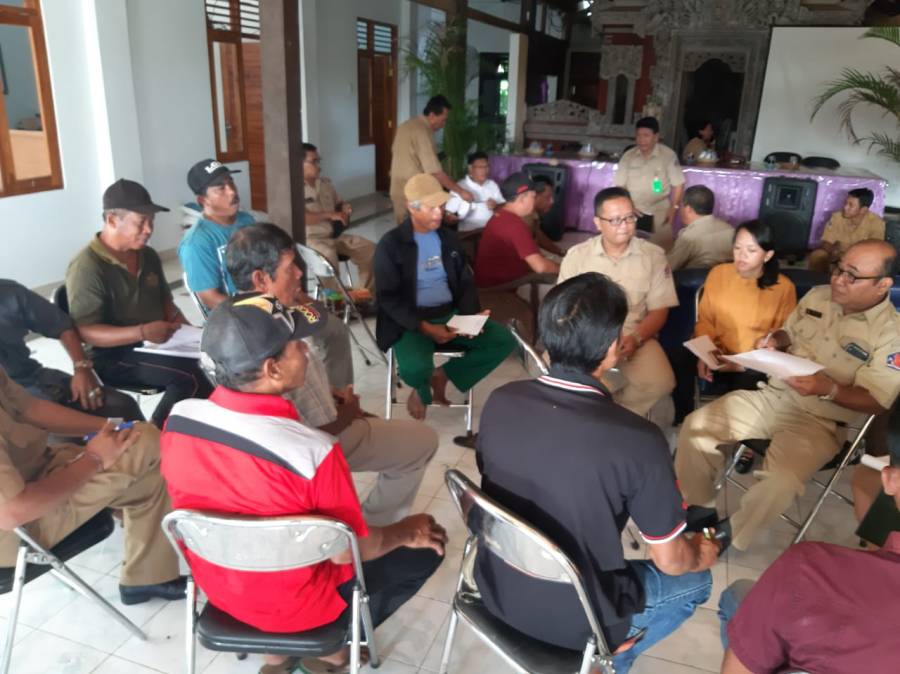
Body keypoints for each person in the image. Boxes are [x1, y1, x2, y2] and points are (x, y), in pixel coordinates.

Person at [161, 295, 445, 674]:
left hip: (223, 591)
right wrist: (407, 531)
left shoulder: (177, 422)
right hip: (302, 609)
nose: (307, 352)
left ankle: (275, 657)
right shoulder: (312, 452)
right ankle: (333, 651)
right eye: (296, 344)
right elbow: (348, 553)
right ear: (272, 369)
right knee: (427, 546)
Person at [476, 273, 716, 674]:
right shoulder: (638, 440)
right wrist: (699, 553)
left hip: (496, 586)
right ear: (611, 349)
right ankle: (604, 663)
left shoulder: (501, 400)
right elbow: (671, 561)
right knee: (697, 582)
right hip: (576, 619)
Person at [675, 240, 900, 551]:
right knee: (695, 426)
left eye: (852, 275)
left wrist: (828, 389)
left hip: (819, 422)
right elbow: (789, 333)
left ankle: (731, 534)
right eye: (838, 269)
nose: (838, 279)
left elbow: (877, 401)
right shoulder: (819, 296)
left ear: (882, 285)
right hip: (772, 396)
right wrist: (775, 340)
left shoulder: (892, 333)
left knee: (780, 482)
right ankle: (700, 508)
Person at [226, 223, 438, 525]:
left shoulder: (255, 313)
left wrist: (296, 296)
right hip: (316, 444)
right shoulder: (265, 341)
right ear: (260, 279)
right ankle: (375, 531)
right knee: (421, 442)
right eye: (290, 268)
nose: (300, 273)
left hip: (327, 419)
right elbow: (298, 436)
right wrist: (349, 413)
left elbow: (318, 316)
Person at [0, 366, 185, 606]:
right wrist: (94, 459)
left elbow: (30, 408)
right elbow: (13, 512)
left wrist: (113, 426)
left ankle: (147, 577)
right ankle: (148, 576)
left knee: (144, 456)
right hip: (19, 529)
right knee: (147, 441)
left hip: (37, 470)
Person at [716, 457, 900, 674]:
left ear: (889, 480)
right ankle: (701, 516)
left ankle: (722, 535)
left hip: (811, 437)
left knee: (737, 594)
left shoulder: (810, 568)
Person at [65, 179, 214, 428]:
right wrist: (142, 332)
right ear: (112, 220)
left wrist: (195, 337)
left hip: (158, 343)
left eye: (151, 221)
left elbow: (166, 305)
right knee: (191, 376)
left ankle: (193, 431)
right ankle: (155, 435)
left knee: (215, 362)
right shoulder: (87, 267)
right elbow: (85, 332)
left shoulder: (148, 255)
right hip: (112, 355)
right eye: (141, 222)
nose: (148, 229)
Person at [374, 173, 515, 421]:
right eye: (431, 207)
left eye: (441, 205)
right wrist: (425, 327)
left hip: (450, 315)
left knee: (503, 341)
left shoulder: (448, 239)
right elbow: (388, 298)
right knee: (414, 369)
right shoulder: (391, 245)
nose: (439, 213)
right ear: (411, 207)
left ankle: (442, 375)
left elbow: (465, 281)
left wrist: (471, 318)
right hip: (410, 322)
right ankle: (421, 388)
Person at [558, 187, 678, 425]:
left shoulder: (653, 256)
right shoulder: (578, 255)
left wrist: (637, 338)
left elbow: (659, 310)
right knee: (556, 375)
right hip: (586, 335)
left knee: (661, 382)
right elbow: (562, 307)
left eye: (629, 217)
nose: (624, 225)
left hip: (633, 334)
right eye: (614, 220)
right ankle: (582, 417)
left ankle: (613, 417)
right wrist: (587, 339)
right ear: (597, 222)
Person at [673, 220, 797, 423]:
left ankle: (736, 430)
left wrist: (750, 356)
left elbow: (784, 334)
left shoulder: (784, 288)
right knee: (680, 357)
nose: (741, 255)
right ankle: (684, 418)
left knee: (747, 384)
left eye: (751, 250)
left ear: (767, 255)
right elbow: (705, 320)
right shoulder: (718, 274)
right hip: (718, 352)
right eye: (737, 248)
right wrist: (708, 354)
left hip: (752, 361)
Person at [0, 279, 142, 421]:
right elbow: (31, 409)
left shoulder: (10, 292)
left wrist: (82, 369)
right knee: (61, 430)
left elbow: (63, 327)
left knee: (122, 406)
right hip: (10, 403)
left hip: (33, 378)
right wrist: (106, 425)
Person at [474, 173, 560, 343]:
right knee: (563, 276)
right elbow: (540, 267)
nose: (535, 200)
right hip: (497, 285)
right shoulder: (514, 225)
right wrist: (564, 267)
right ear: (522, 198)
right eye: (533, 196)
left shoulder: (502, 215)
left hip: (491, 278)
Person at [177, 158, 255, 310]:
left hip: (261, 300)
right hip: (234, 316)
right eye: (221, 188)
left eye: (231, 182)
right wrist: (260, 308)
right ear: (202, 200)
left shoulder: (246, 220)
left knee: (304, 313)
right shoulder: (196, 243)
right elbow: (210, 299)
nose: (232, 191)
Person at [302, 142, 377, 292]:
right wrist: (331, 214)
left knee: (370, 249)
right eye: (314, 161)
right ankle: (333, 301)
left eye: (318, 161)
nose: (318, 165)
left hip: (333, 236)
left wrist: (345, 209)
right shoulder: (293, 188)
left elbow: (340, 203)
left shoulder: (325, 183)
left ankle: (364, 294)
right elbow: (303, 218)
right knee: (328, 257)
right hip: (311, 240)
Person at [389, 95, 473, 223]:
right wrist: (461, 192)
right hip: (414, 194)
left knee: (404, 227)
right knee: (419, 226)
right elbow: (435, 172)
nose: (443, 125)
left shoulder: (405, 125)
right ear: (432, 115)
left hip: (397, 189)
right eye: (443, 120)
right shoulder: (422, 131)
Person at [614, 117, 685, 242]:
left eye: (646, 135)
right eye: (638, 135)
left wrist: (673, 209)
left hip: (660, 210)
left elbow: (678, 184)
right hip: (633, 210)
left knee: (662, 248)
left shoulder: (668, 155)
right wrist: (629, 206)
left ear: (656, 137)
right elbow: (620, 185)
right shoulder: (628, 156)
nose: (641, 140)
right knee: (629, 247)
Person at [808, 188, 886, 274]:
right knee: (818, 255)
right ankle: (818, 281)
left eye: (850, 205)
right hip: (837, 256)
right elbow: (826, 242)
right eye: (845, 203)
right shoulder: (837, 217)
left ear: (863, 210)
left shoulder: (876, 223)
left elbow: (874, 250)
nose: (845, 207)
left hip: (859, 259)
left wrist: (847, 257)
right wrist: (834, 251)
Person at [666, 185, 733, 271]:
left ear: (688, 209)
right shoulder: (729, 229)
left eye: (681, 205)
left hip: (694, 279)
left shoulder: (688, 237)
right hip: (724, 276)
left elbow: (669, 266)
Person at [445, 151, 504, 232]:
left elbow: (504, 207)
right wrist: (453, 218)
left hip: (492, 230)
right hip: (469, 233)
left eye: (487, 166)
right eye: (480, 167)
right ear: (470, 168)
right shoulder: (460, 187)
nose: (484, 170)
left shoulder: (492, 184)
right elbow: (447, 218)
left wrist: (496, 206)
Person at [522, 175, 565, 257]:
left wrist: (561, 252)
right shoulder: (526, 219)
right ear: (534, 196)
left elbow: (539, 236)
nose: (552, 201)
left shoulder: (531, 214)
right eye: (548, 197)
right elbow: (532, 259)